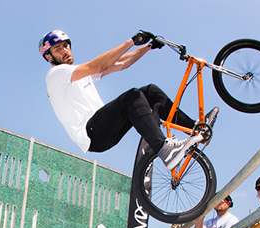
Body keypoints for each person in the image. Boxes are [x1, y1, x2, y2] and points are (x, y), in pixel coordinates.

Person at [40, 30, 217, 171]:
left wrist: (148, 47)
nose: (65, 51)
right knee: (131, 96)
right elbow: (99, 65)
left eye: (66, 46)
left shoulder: (78, 74)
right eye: (58, 49)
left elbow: (121, 63)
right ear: (49, 57)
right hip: (91, 133)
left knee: (150, 91)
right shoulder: (55, 75)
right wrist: (131, 42)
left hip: (104, 129)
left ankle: (194, 129)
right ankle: (165, 150)